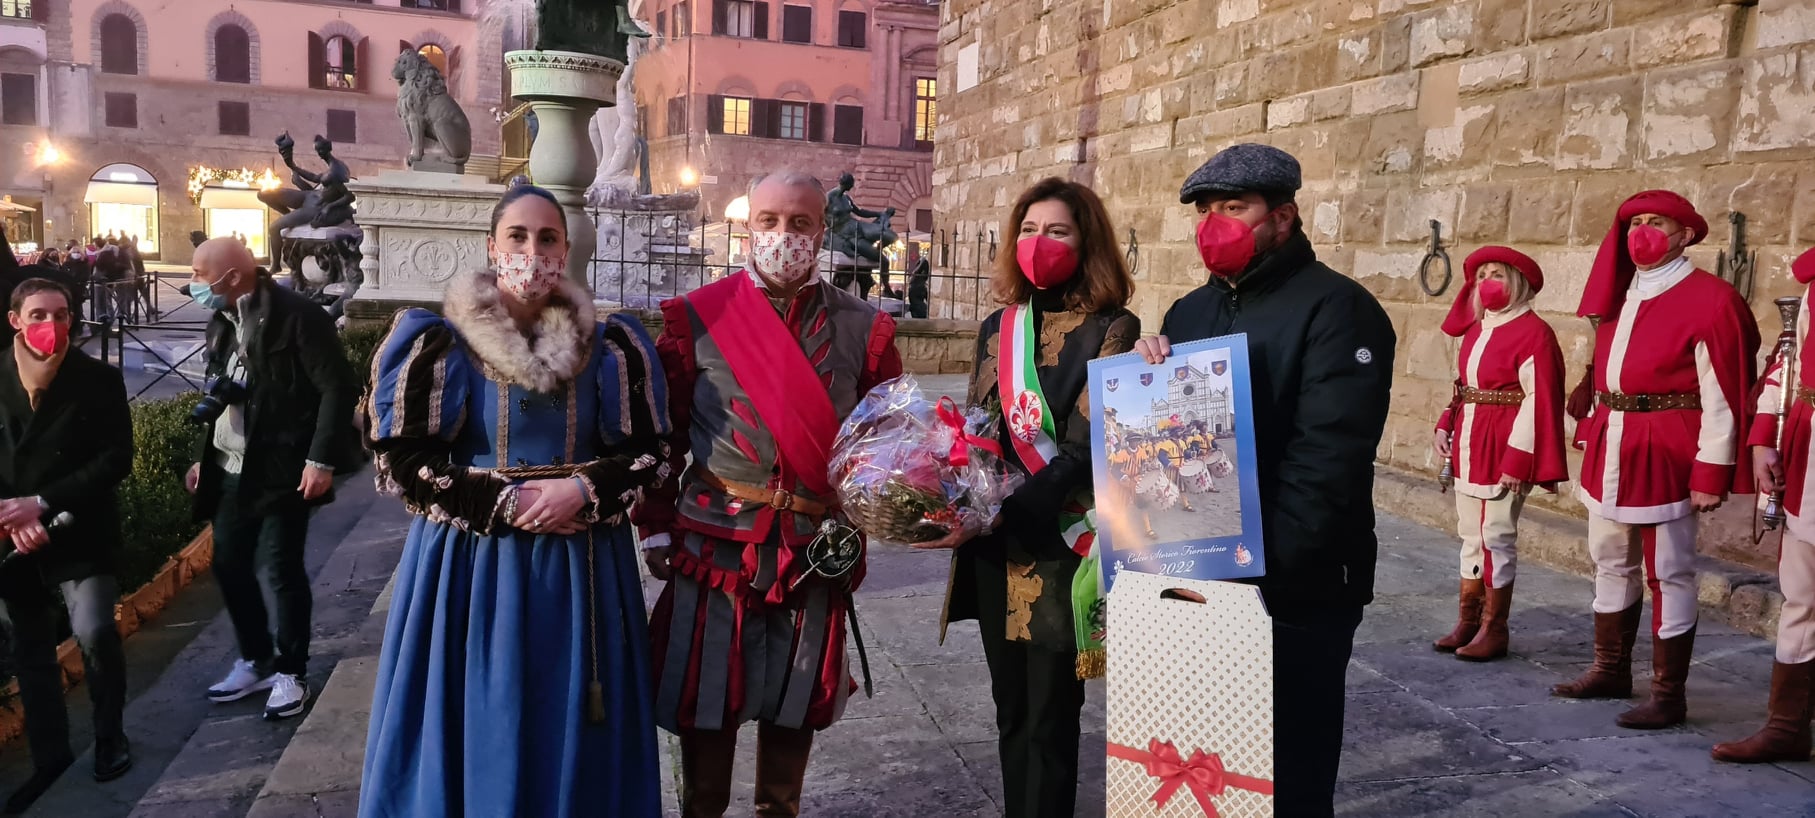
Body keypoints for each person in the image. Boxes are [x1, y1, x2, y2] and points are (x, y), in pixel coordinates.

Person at [359, 184, 669, 816]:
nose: (534, 251)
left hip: (583, 565)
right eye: (518, 237)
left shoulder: (612, 347)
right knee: (483, 705)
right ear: (491, 247)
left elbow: (653, 453)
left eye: (547, 238)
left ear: (567, 247)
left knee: (571, 709)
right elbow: (402, 459)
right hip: (473, 564)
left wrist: (582, 488)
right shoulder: (437, 343)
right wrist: (504, 503)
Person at [1132, 143, 1395, 817]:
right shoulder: (1188, 313)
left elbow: (1328, 461)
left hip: (1295, 585)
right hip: (1200, 577)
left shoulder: (1338, 309)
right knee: (1206, 776)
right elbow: (1169, 442)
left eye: (1233, 207)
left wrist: (1254, 569)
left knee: (1286, 777)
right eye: (1205, 209)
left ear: (1282, 217)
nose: (1214, 222)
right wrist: (1143, 377)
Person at [635, 171, 903, 818]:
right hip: (714, 545)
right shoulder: (698, 318)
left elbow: (883, 443)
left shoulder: (864, 329)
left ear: (822, 230)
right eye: (769, 222)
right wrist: (658, 526)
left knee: (794, 705)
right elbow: (664, 433)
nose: (783, 236)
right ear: (747, 226)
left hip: (813, 551)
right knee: (707, 708)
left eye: (800, 224)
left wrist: (872, 523)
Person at [921, 177, 1138, 818]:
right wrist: (947, 490)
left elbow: (1083, 449)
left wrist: (995, 510)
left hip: (1060, 545)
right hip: (990, 542)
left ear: (1086, 241)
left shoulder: (1113, 328)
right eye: (1030, 229)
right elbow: (978, 429)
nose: (1039, 243)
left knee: (1048, 718)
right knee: (1010, 709)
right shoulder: (1000, 325)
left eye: (1058, 231)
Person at [1552, 190, 1758, 730]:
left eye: (1656, 222)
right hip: (1614, 439)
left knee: (1669, 570)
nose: (1642, 230)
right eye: (1635, 222)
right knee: (1609, 557)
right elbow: (1604, 371)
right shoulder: (1618, 294)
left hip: (1667, 445)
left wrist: (1711, 469)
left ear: (1685, 234)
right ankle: (1610, 669)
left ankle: (1669, 695)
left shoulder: (1712, 299)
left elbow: (1723, 393)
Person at [183, 238, 359, 721]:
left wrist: (320, 460)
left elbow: (337, 387)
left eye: (201, 274)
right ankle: (256, 659)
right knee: (230, 565)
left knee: (282, 569)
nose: (194, 283)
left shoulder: (298, 316)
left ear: (231, 276)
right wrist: (206, 456)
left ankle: (291, 671)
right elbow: (219, 388)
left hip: (282, 467)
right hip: (229, 468)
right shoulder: (221, 319)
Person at [0, 279, 134, 812]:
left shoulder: (98, 378)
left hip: (78, 527)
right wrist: (12, 515)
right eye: (37, 314)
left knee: (96, 630)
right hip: (11, 537)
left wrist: (42, 501)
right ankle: (50, 759)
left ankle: (110, 737)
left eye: (61, 314)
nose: (50, 325)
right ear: (16, 320)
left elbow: (114, 458)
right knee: (30, 651)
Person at [1430, 247, 1569, 661]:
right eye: (1484, 275)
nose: (1489, 281)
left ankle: (1495, 627)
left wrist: (1518, 458)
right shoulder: (1476, 329)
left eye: (1499, 274)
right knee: (1470, 535)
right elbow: (1464, 385)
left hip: (1505, 441)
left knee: (1497, 536)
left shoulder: (1534, 332)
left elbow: (1540, 399)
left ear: (1518, 282)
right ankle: (1468, 621)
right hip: (1471, 436)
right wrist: (1445, 423)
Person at [1716, 246, 1815, 764]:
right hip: (1808, 449)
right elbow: (1786, 364)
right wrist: (1762, 440)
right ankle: (1787, 725)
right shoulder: (1812, 285)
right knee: (1801, 594)